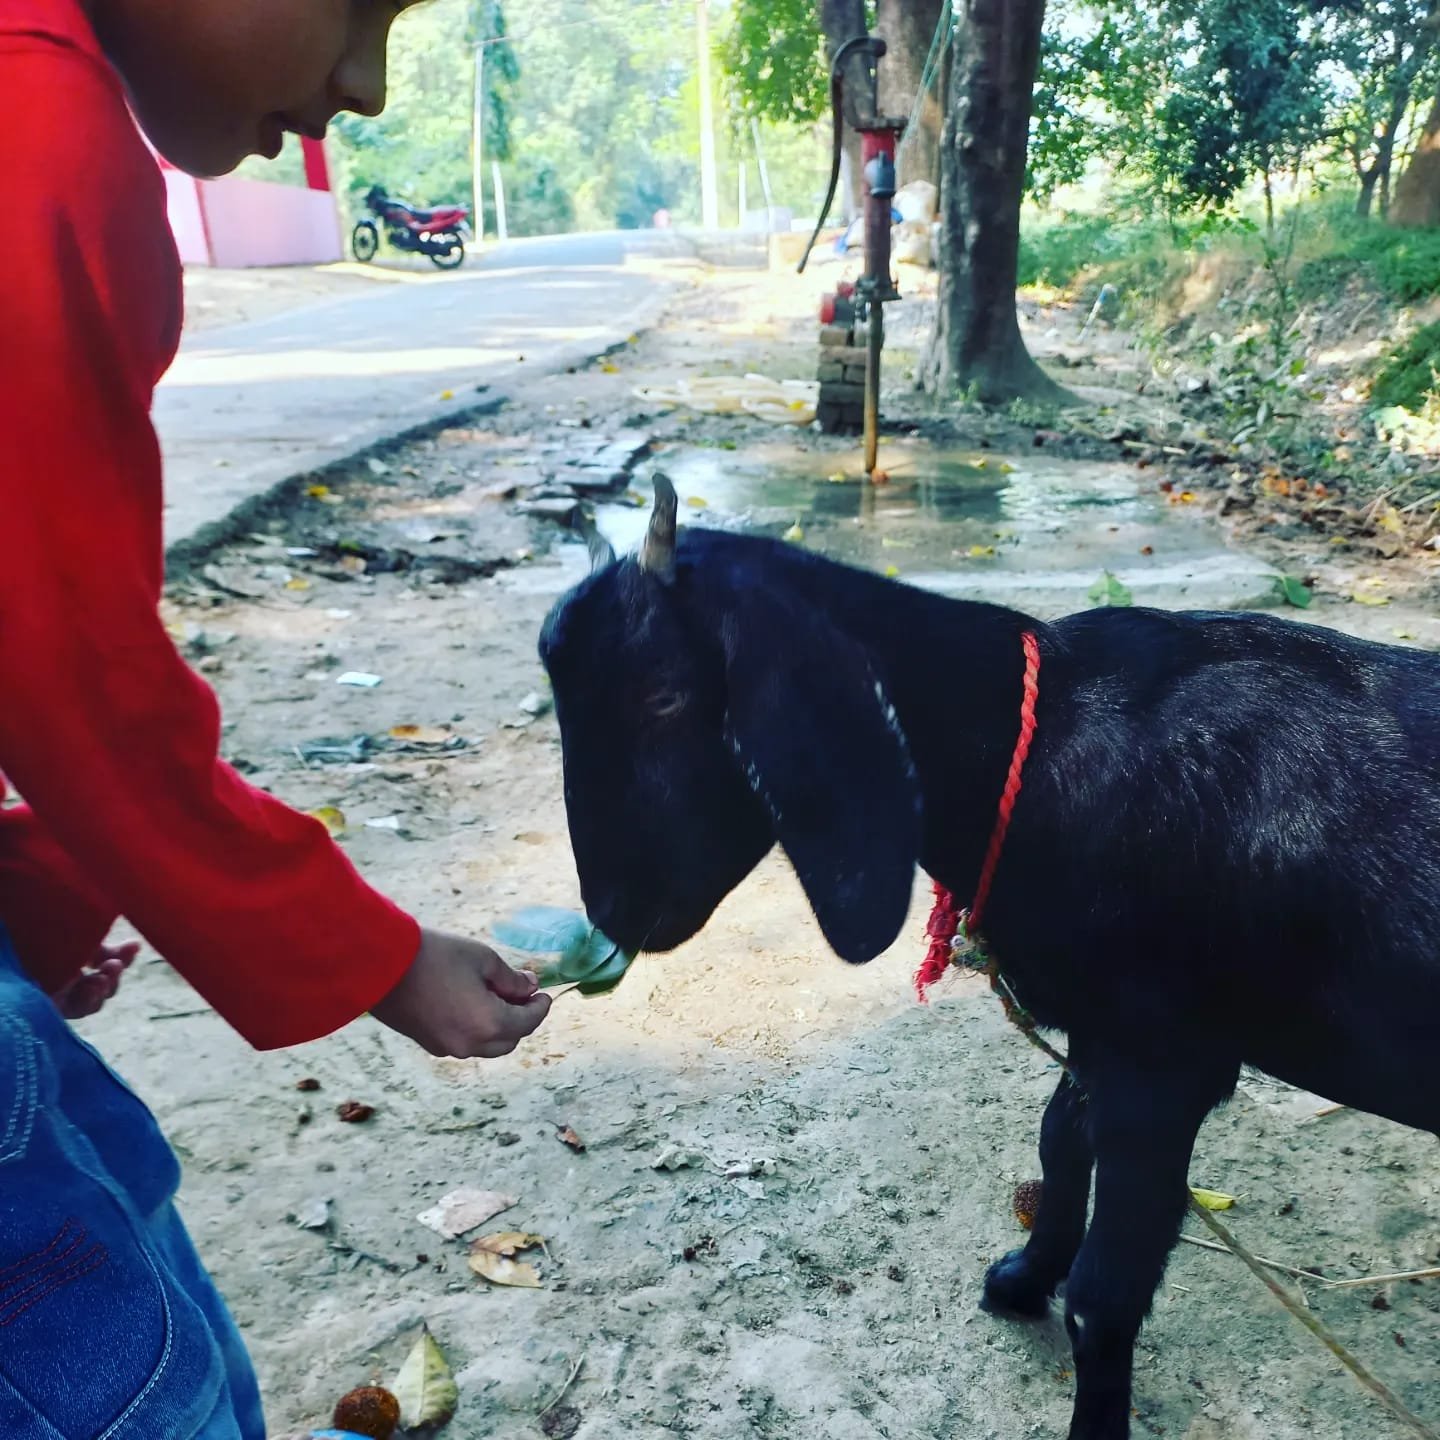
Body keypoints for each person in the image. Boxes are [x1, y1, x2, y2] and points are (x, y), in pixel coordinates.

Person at [0, 3, 551, 1435]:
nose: (361, 84)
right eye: (357, 9)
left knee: (104, 1167)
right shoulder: (40, 132)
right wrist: (374, 954)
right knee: (132, 1379)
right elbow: (77, 670)